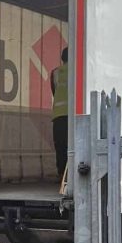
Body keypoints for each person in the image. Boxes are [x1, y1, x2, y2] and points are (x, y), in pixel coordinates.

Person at [50, 47, 69, 179]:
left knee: (60, 147)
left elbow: (54, 91)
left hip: (58, 116)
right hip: (74, 116)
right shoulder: (79, 70)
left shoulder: (55, 72)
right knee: (72, 147)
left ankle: (62, 176)